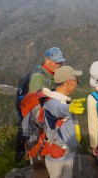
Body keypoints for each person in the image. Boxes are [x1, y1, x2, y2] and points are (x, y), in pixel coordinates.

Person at [29, 46, 66, 178]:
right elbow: (34, 106)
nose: (59, 64)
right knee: (41, 168)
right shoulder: (38, 78)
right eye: (56, 61)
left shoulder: (50, 76)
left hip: (47, 128)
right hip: (38, 130)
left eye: (60, 61)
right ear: (47, 60)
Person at [43, 65, 86, 178]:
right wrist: (69, 108)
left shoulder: (61, 98)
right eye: (77, 81)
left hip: (67, 154)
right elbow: (57, 110)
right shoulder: (51, 101)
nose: (77, 84)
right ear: (68, 82)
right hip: (58, 157)